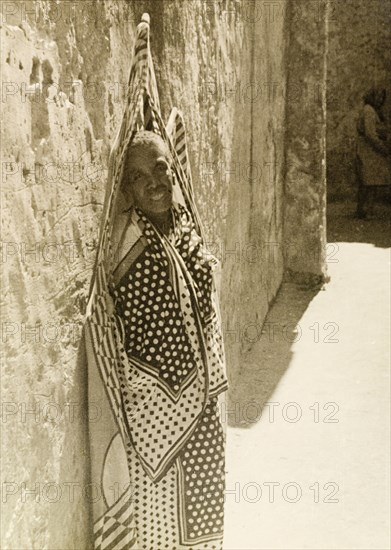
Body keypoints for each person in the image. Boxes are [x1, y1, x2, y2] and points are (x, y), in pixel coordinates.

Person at [106, 130, 228, 549]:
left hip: (205, 404)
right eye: (141, 177)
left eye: (160, 168)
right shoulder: (128, 244)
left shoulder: (184, 223)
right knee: (160, 516)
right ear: (128, 189)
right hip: (157, 414)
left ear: (172, 168)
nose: (155, 182)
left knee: (204, 499)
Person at [355, 88, 390, 218]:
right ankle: (366, 211)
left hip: (369, 149)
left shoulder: (373, 110)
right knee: (369, 182)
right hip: (369, 149)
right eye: (378, 97)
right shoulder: (369, 110)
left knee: (370, 181)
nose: (380, 100)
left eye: (382, 97)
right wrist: (382, 147)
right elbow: (370, 134)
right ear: (371, 97)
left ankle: (364, 210)